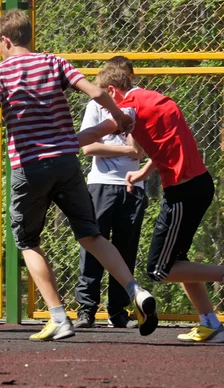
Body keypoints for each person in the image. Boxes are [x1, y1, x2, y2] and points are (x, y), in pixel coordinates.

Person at [0, 9, 158, 341]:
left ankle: (59, 317)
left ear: (5, 40)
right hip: (66, 162)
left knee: (28, 241)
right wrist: (120, 118)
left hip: (29, 166)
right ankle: (136, 290)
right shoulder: (54, 62)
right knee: (91, 235)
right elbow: (96, 93)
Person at [86, 66, 224, 343]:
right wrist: (143, 173)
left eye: (103, 100)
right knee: (178, 259)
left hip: (183, 192)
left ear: (112, 91)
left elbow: (99, 131)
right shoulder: (155, 98)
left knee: (160, 270)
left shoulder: (129, 107)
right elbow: (168, 143)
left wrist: (57, 144)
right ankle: (210, 323)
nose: (105, 106)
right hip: (196, 185)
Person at [73, 57, 147, 329]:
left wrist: (129, 138)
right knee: (93, 244)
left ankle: (118, 311)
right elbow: (89, 148)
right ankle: (87, 310)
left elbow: (138, 148)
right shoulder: (96, 106)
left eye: (127, 78)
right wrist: (127, 150)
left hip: (132, 186)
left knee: (126, 248)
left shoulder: (139, 108)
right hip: (101, 183)